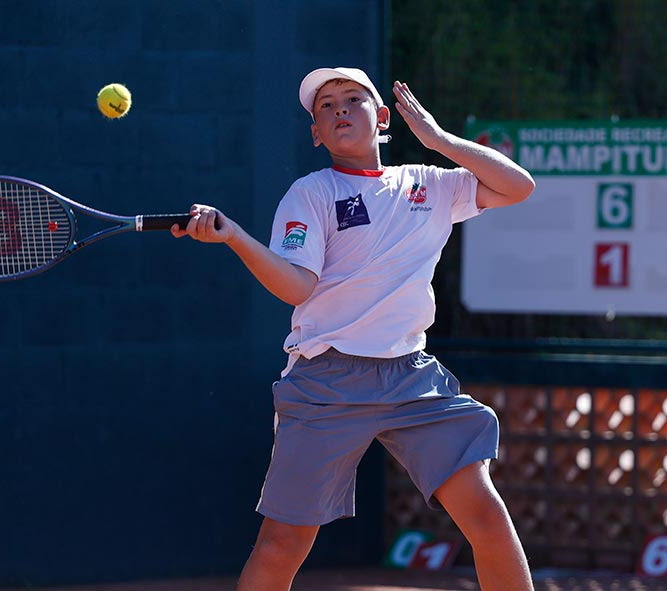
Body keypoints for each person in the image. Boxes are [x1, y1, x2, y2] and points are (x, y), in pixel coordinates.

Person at [171, 67, 536, 591]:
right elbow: (297, 287)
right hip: (326, 381)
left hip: (412, 379)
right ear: (316, 133)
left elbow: (518, 187)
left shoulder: (430, 184)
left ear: (382, 117)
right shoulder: (311, 193)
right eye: (325, 107)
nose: (339, 109)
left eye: (352, 99)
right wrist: (234, 237)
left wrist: (436, 139)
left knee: (486, 515)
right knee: (282, 545)